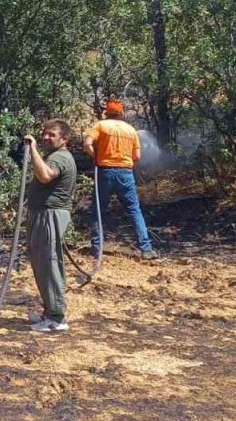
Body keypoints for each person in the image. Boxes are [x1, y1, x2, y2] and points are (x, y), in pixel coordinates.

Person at [22, 119, 77, 333]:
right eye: (44, 133)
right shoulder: (54, 156)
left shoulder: (61, 157)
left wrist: (33, 149)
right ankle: (49, 312)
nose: (46, 137)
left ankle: (56, 318)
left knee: (49, 264)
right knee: (42, 264)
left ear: (64, 139)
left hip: (50, 216)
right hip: (43, 215)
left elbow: (45, 176)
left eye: (51, 135)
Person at [84, 100, 157, 259]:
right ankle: (146, 249)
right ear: (122, 113)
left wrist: (95, 156)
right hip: (126, 173)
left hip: (105, 172)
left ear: (107, 112)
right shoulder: (131, 130)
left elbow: (87, 143)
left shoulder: (101, 126)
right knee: (134, 210)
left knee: (98, 210)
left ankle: (97, 249)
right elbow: (137, 156)